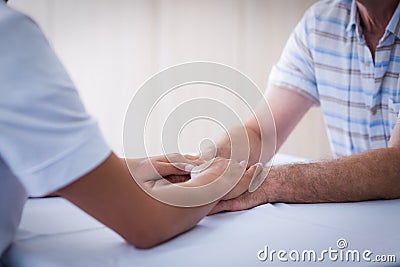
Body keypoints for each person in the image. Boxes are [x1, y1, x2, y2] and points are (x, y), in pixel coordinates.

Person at [0, 0, 259, 258]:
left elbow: (20, 156)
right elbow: (146, 223)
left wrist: (124, 170)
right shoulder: (9, 34)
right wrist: (220, 178)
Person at [210, 0, 400, 214]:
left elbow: (396, 166)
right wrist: (209, 163)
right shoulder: (319, 24)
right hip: (352, 221)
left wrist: (264, 183)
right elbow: (261, 132)